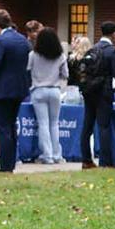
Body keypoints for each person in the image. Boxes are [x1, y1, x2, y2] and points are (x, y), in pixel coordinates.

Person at [0, 9, 31, 173]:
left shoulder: (1, 40)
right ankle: (11, 163)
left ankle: (5, 165)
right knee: (11, 126)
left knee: (2, 127)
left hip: (2, 89)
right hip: (19, 88)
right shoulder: (23, 39)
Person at [77, 21, 115, 168]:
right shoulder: (112, 51)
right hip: (104, 92)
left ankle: (86, 160)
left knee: (87, 126)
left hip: (89, 92)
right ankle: (105, 162)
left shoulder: (92, 49)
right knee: (104, 127)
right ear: (113, 33)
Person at [28, 26, 69, 165]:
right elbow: (65, 75)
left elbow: (28, 70)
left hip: (38, 90)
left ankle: (47, 155)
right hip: (55, 90)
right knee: (54, 124)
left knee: (43, 124)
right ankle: (57, 154)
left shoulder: (33, 55)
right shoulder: (61, 56)